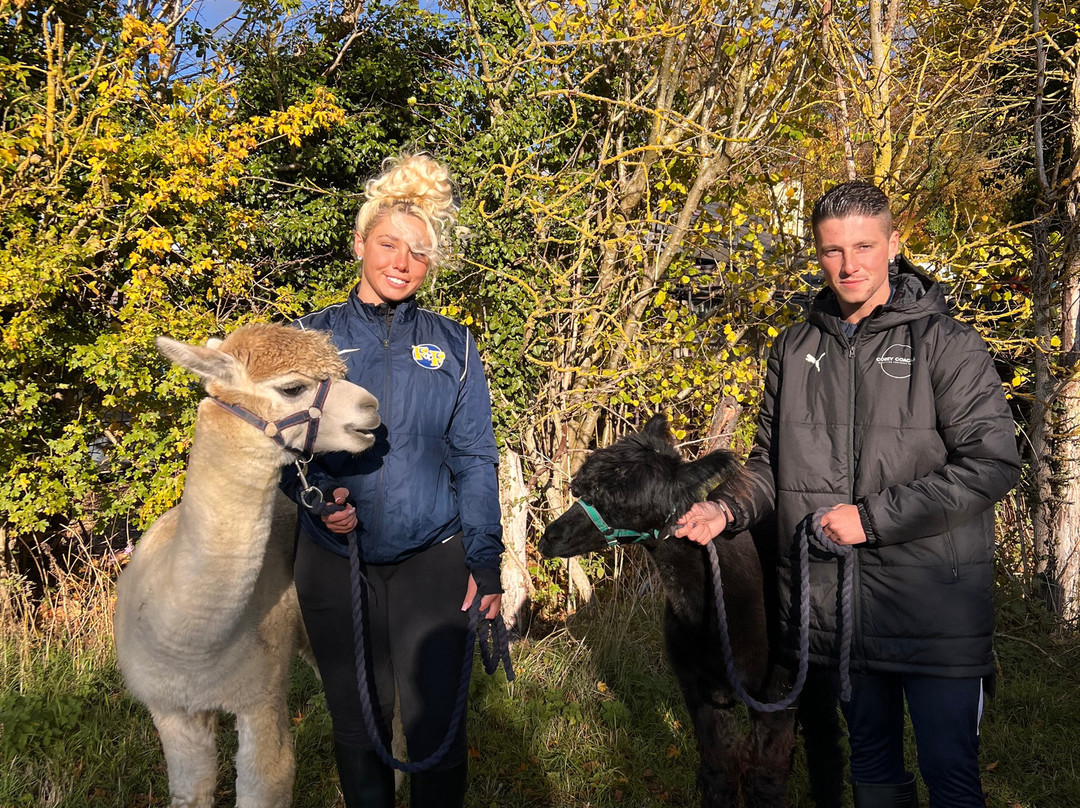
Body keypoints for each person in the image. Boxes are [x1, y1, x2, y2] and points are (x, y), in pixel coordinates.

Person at [674, 181, 1020, 807]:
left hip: (934, 611)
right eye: (833, 250)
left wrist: (872, 519)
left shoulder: (947, 343)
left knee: (950, 774)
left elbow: (993, 463)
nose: (850, 264)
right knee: (874, 773)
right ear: (817, 252)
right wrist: (725, 509)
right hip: (835, 612)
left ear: (893, 245)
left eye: (864, 246)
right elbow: (769, 468)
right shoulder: (793, 347)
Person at [279, 153, 503, 808]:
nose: (402, 263)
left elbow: (475, 457)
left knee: (436, 727)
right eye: (388, 246)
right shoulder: (312, 338)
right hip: (334, 560)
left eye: (417, 253)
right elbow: (285, 450)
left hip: (431, 558)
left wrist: (485, 562)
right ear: (359, 244)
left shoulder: (455, 346)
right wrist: (318, 500)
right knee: (359, 725)